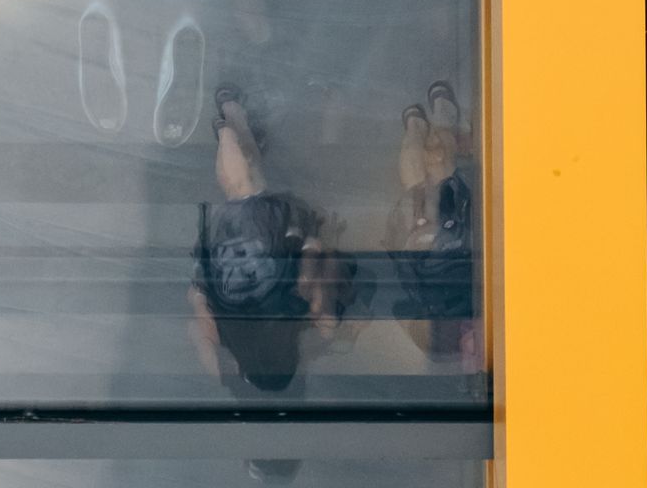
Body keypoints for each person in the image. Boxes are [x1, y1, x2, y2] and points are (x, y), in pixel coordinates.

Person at [187, 87, 356, 395]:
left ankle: (229, 122)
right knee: (245, 188)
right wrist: (200, 287)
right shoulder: (230, 360)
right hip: (229, 273)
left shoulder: (295, 331)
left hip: (262, 260)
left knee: (246, 188)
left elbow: (310, 282)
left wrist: (313, 241)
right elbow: (201, 324)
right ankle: (231, 123)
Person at [387, 81, 479, 366]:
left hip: (443, 241)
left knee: (438, 175)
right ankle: (418, 123)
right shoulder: (428, 312)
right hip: (428, 242)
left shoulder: (452, 317)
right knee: (426, 180)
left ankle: (436, 115)